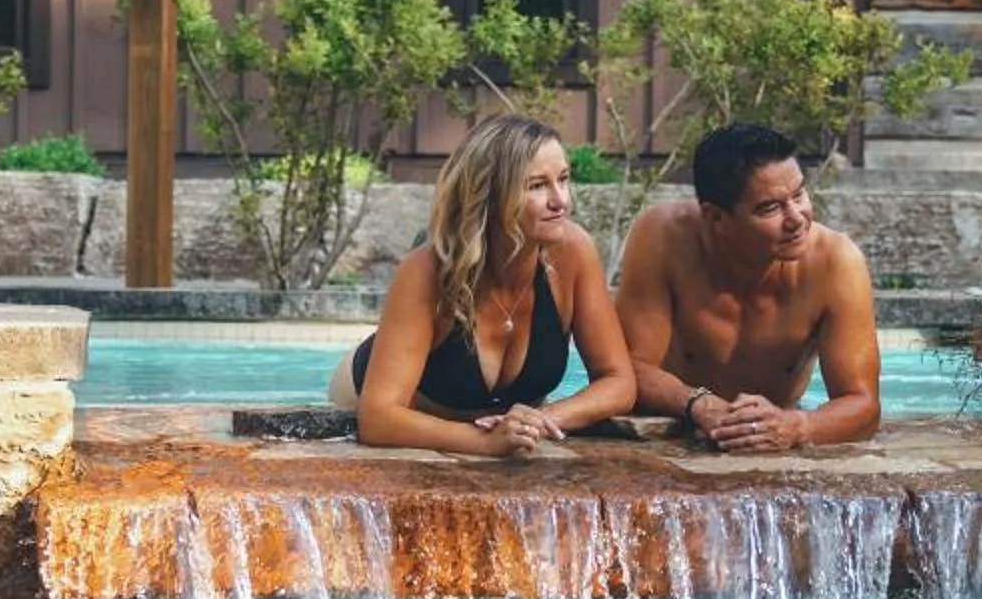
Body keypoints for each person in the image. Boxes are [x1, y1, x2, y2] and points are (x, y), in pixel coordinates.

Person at [331, 112, 636, 455]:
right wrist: (484, 443)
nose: (561, 201)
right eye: (537, 186)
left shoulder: (574, 253)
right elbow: (378, 419)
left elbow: (619, 382)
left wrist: (542, 419)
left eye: (563, 180)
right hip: (373, 396)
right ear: (490, 196)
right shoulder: (428, 271)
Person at [614, 121, 882, 450]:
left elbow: (864, 406)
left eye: (799, 194)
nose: (797, 218)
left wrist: (797, 427)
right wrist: (698, 404)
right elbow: (626, 370)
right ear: (715, 218)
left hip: (774, 435)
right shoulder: (664, 237)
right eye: (770, 207)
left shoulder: (836, 262)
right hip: (675, 429)